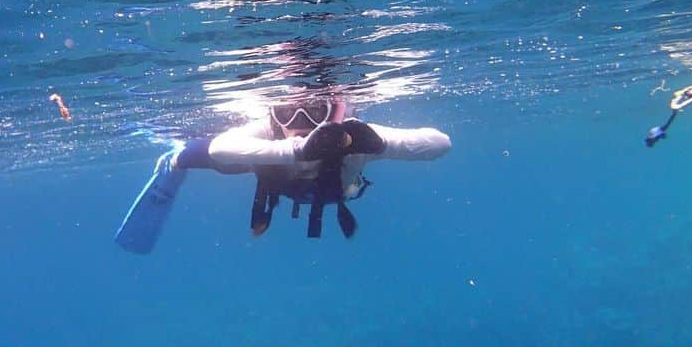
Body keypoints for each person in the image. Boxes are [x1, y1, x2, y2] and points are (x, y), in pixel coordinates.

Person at [115, 99, 452, 253]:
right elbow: (220, 149)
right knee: (192, 155)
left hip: (335, 188)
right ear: (273, 113)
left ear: (334, 110)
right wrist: (296, 150)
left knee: (345, 188)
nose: (300, 120)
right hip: (271, 170)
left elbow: (440, 143)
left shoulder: (354, 136)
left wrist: (378, 143)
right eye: (287, 110)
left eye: (314, 110)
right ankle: (171, 164)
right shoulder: (270, 129)